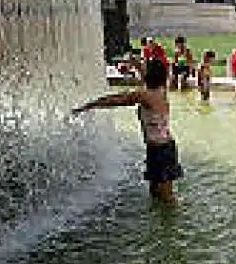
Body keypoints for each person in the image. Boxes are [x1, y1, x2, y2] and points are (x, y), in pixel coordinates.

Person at [71, 59, 182, 204]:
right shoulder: (161, 90)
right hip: (162, 147)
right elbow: (146, 78)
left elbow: (116, 100)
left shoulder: (144, 96)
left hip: (161, 150)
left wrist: (89, 105)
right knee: (156, 194)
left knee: (166, 197)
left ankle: (173, 222)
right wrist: (135, 64)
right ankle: (162, 224)